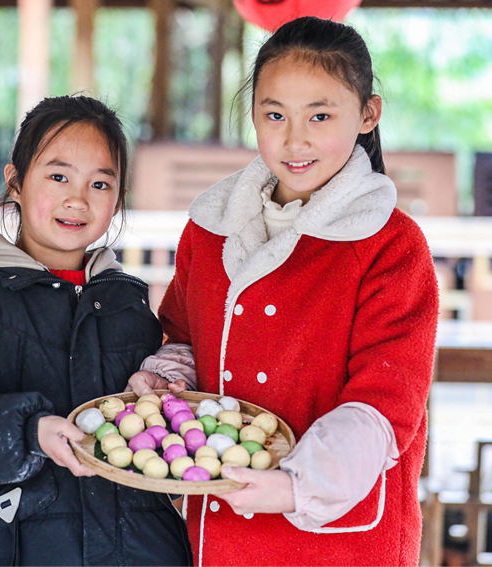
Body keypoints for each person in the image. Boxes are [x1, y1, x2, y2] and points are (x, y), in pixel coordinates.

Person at [129, 16, 439, 567]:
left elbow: (384, 407)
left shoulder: (392, 247)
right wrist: (171, 377)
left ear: (368, 114)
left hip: (340, 541)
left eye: (320, 115)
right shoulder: (210, 228)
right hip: (220, 534)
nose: (294, 139)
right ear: (252, 115)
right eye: (275, 115)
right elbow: (184, 332)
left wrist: (294, 486)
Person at [0, 95, 192, 566]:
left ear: (118, 199)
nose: (77, 199)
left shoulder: (125, 301)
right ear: (15, 181)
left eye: (100, 183)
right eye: (58, 176)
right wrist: (27, 434)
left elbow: (140, 430)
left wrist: (159, 391)